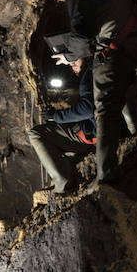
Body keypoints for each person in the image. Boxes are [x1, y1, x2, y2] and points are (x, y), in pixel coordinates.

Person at [30, 0, 137, 185]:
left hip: (121, 41)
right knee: (117, 92)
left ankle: (106, 175)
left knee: (103, 103)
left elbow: (80, 37)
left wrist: (68, 56)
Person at [27, 57, 97, 196]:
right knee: (59, 132)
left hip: (95, 135)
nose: (73, 65)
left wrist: (57, 116)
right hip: (101, 130)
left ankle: (62, 181)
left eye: (75, 60)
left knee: (36, 133)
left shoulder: (89, 74)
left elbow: (88, 108)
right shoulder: (101, 68)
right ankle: (73, 162)